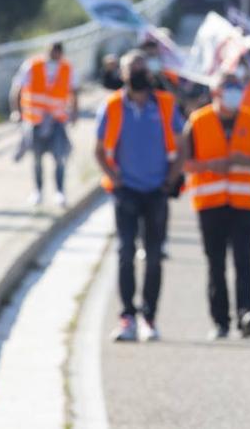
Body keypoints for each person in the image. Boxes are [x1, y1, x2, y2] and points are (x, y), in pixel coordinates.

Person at [95, 50, 184, 342]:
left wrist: (171, 178)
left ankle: (149, 317)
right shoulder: (111, 106)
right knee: (125, 253)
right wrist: (115, 177)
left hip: (156, 190)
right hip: (127, 190)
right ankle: (127, 317)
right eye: (132, 68)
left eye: (142, 68)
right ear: (122, 74)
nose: (137, 73)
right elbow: (98, 150)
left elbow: (182, 145)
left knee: (155, 256)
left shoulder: (166, 104)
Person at [181, 71, 250, 340]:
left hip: (245, 204)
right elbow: (184, 163)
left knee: (243, 261)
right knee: (216, 264)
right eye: (228, 89)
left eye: (237, 88)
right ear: (215, 93)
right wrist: (209, 166)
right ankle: (220, 321)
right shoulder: (198, 121)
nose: (234, 94)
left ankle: (247, 313)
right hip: (210, 204)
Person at [11, 41, 78, 207]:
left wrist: (75, 113)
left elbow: (74, 92)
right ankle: (38, 191)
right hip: (35, 120)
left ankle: (60, 192)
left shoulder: (66, 68)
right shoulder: (33, 65)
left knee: (60, 157)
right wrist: (16, 111)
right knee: (37, 158)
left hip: (57, 120)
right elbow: (17, 89)